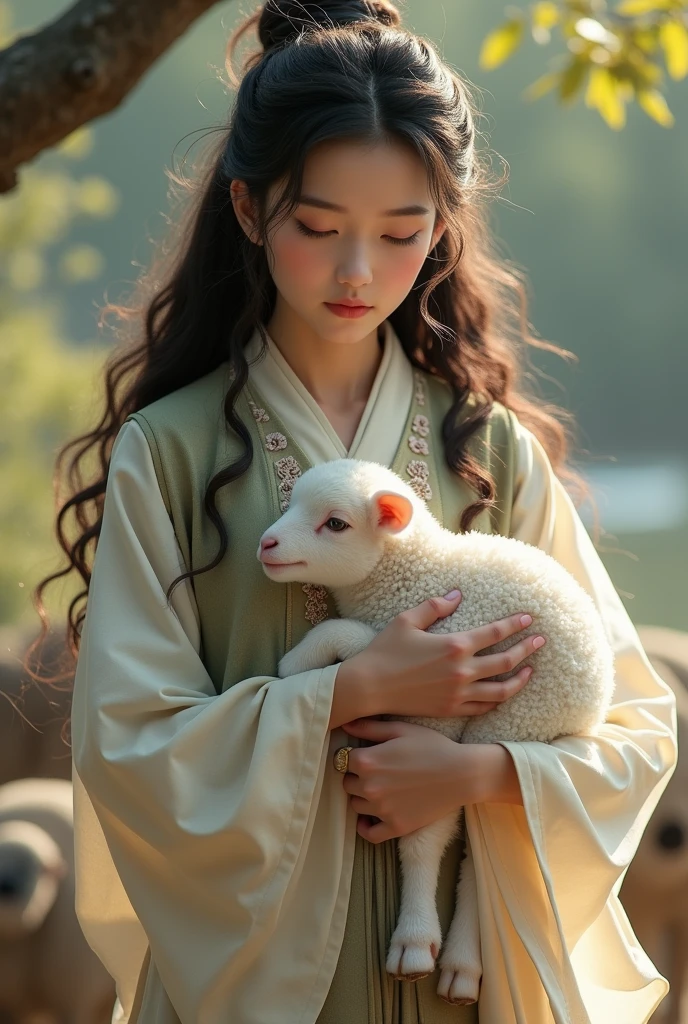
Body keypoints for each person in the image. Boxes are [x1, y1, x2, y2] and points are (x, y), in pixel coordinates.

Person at [32, 1, 676, 1022]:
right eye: (319, 226)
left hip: (465, 989)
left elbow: (631, 724)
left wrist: (476, 772)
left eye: (400, 232)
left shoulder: (484, 449)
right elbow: (128, 747)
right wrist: (343, 692)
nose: (356, 272)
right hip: (264, 983)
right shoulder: (173, 450)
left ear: (442, 228)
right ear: (248, 211)